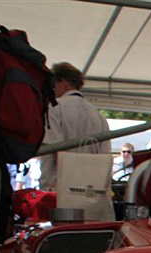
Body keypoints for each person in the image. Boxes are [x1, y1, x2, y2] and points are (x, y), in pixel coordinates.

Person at [37, 62, 110, 191]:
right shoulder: (99, 116)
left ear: (63, 83)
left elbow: (55, 150)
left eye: (53, 85)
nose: (51, 90)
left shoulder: (54, 108)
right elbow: (104, 157)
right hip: (90, 189)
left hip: (59, 188)